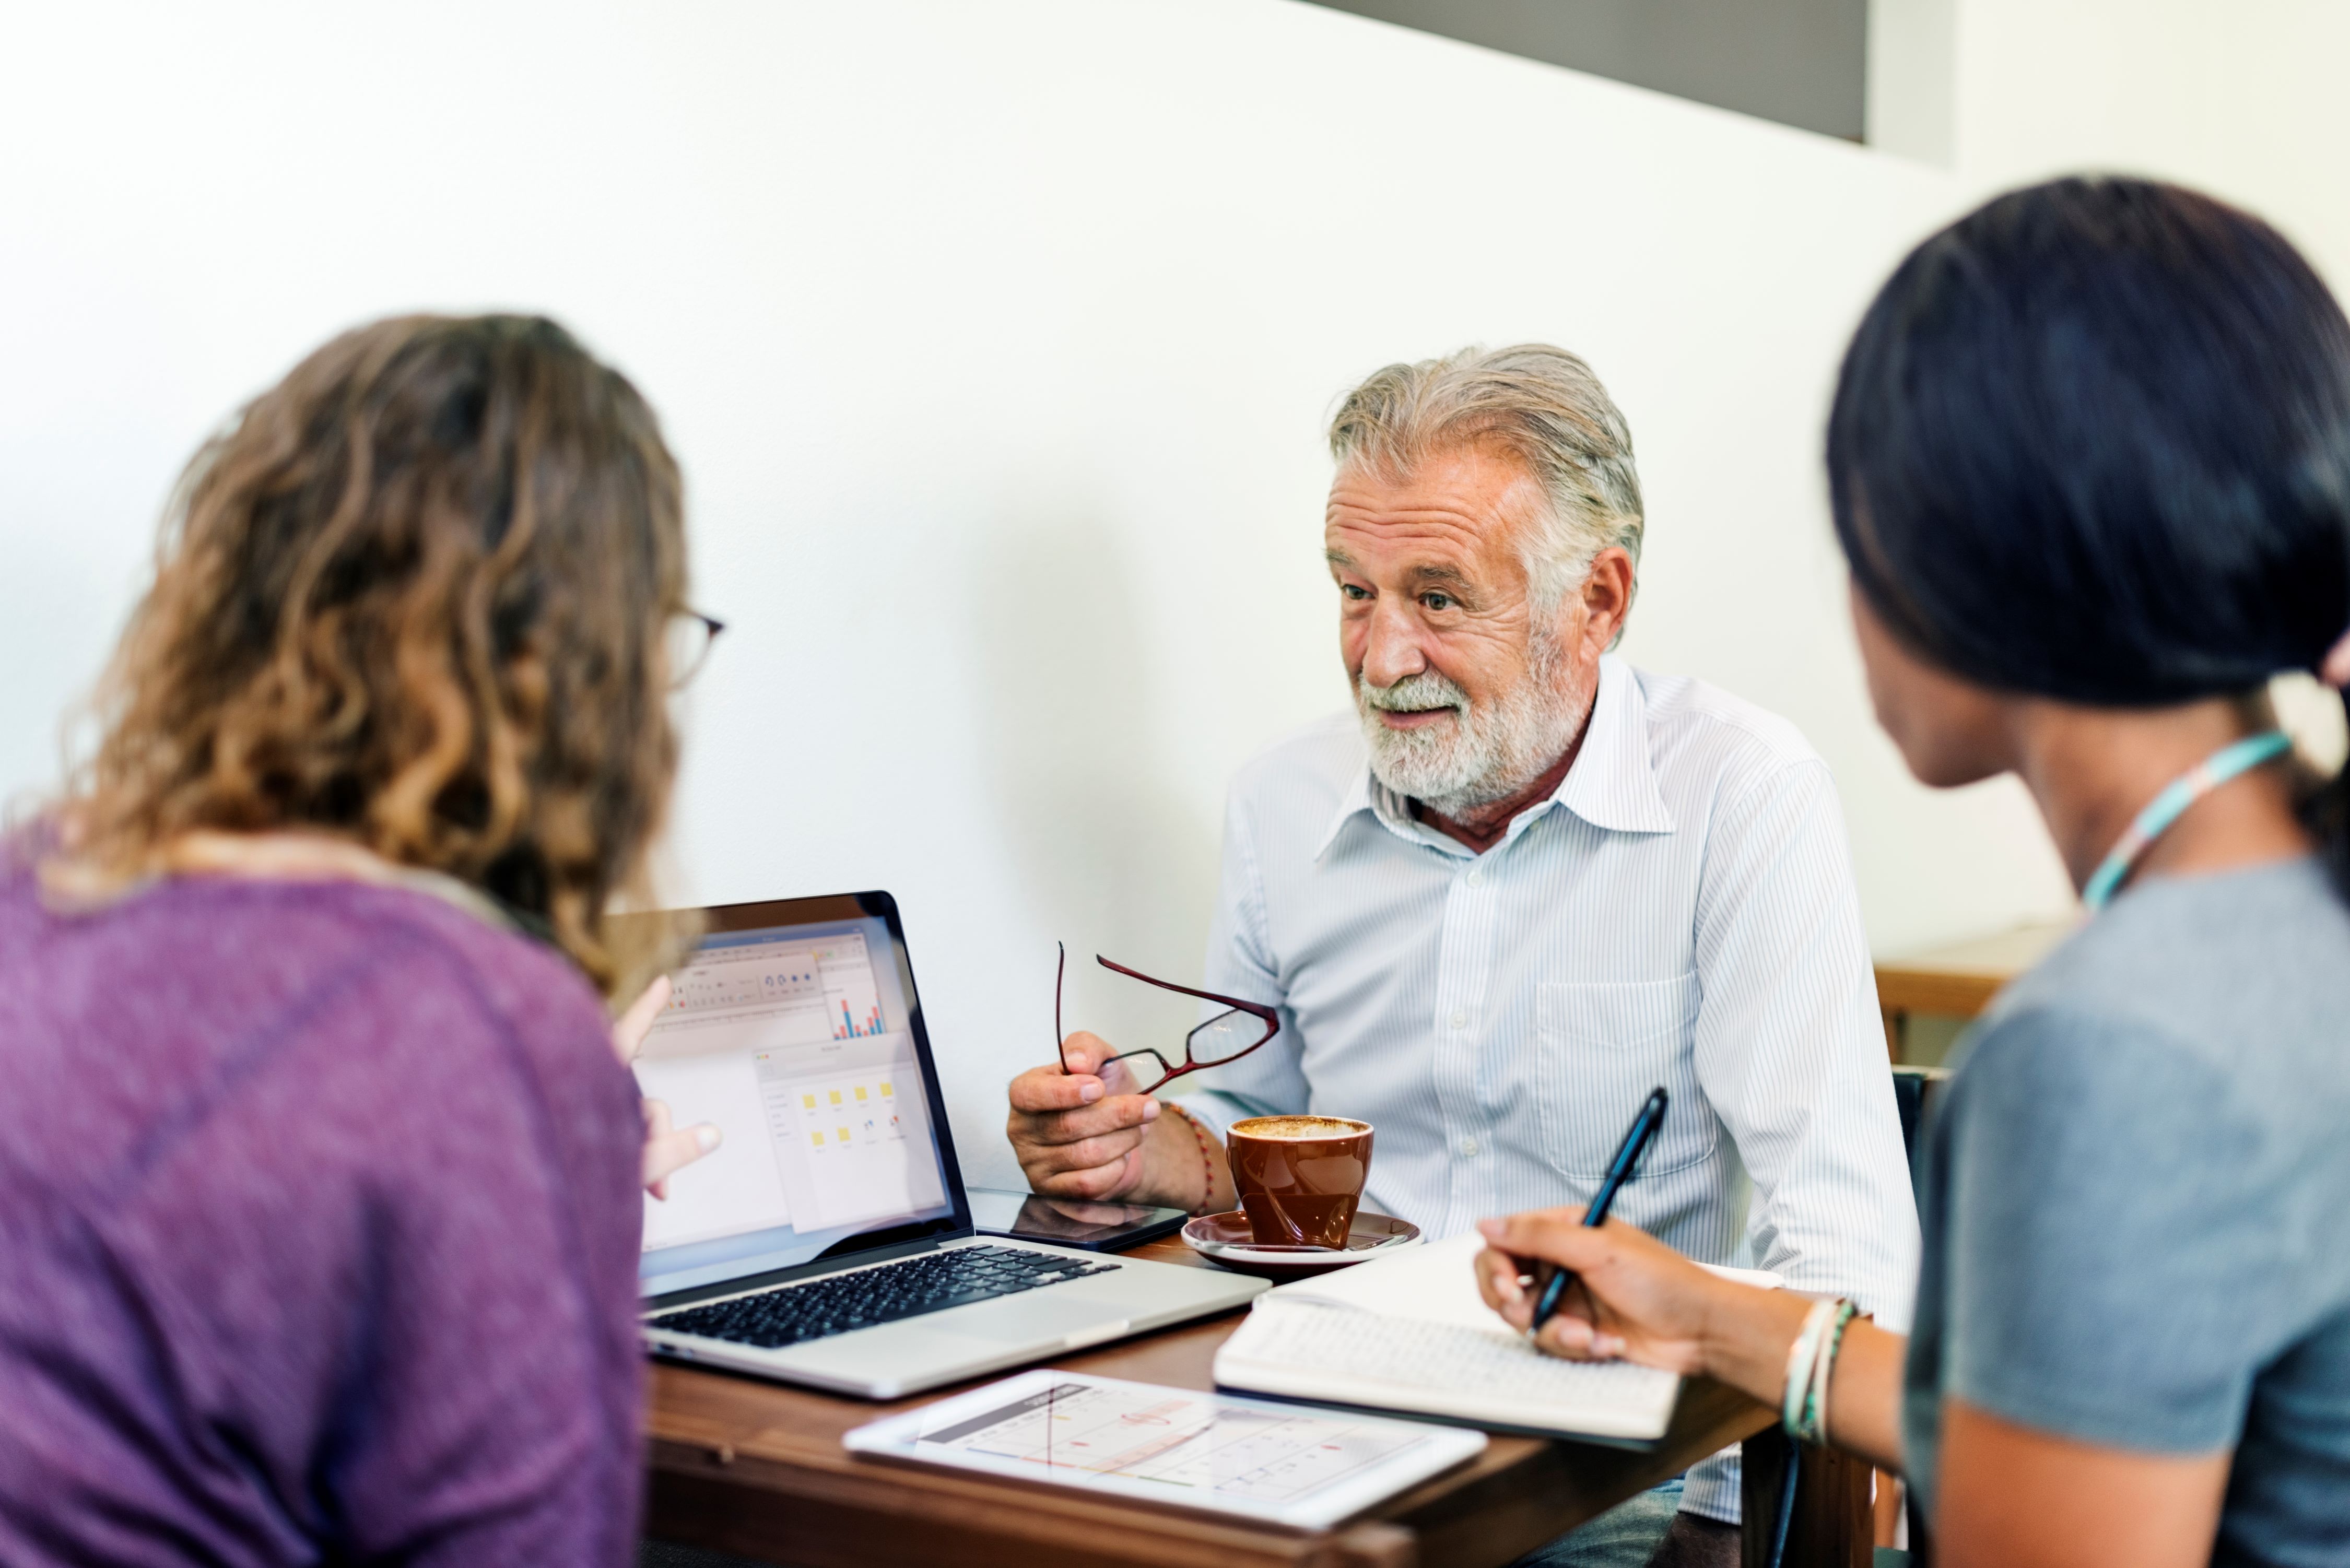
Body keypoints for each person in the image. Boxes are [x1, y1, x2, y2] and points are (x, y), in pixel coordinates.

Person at [1475, 176, 2350, 1567]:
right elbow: (2095, 1427)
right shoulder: (2290, 915)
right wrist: (1712, 1317)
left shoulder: (2105, 1044)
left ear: (1974, 553)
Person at [1007, 345, 1918, 1563]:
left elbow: (1842, 1243)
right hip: (1324, 1433)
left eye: (1438, 599)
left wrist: (1736, 1524)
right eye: (1354, 590)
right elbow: (1253, 1129)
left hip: (1624, 1474)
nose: (1381, 659)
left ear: (1598, 600)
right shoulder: (1279, 803)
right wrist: (1151, 1149)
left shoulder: (1743, 797)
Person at [0, 315, 719, 1565]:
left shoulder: (34, 882)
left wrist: (526, 1156)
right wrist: (530, 1145)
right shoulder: (473, 1028)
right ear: (568, 667)